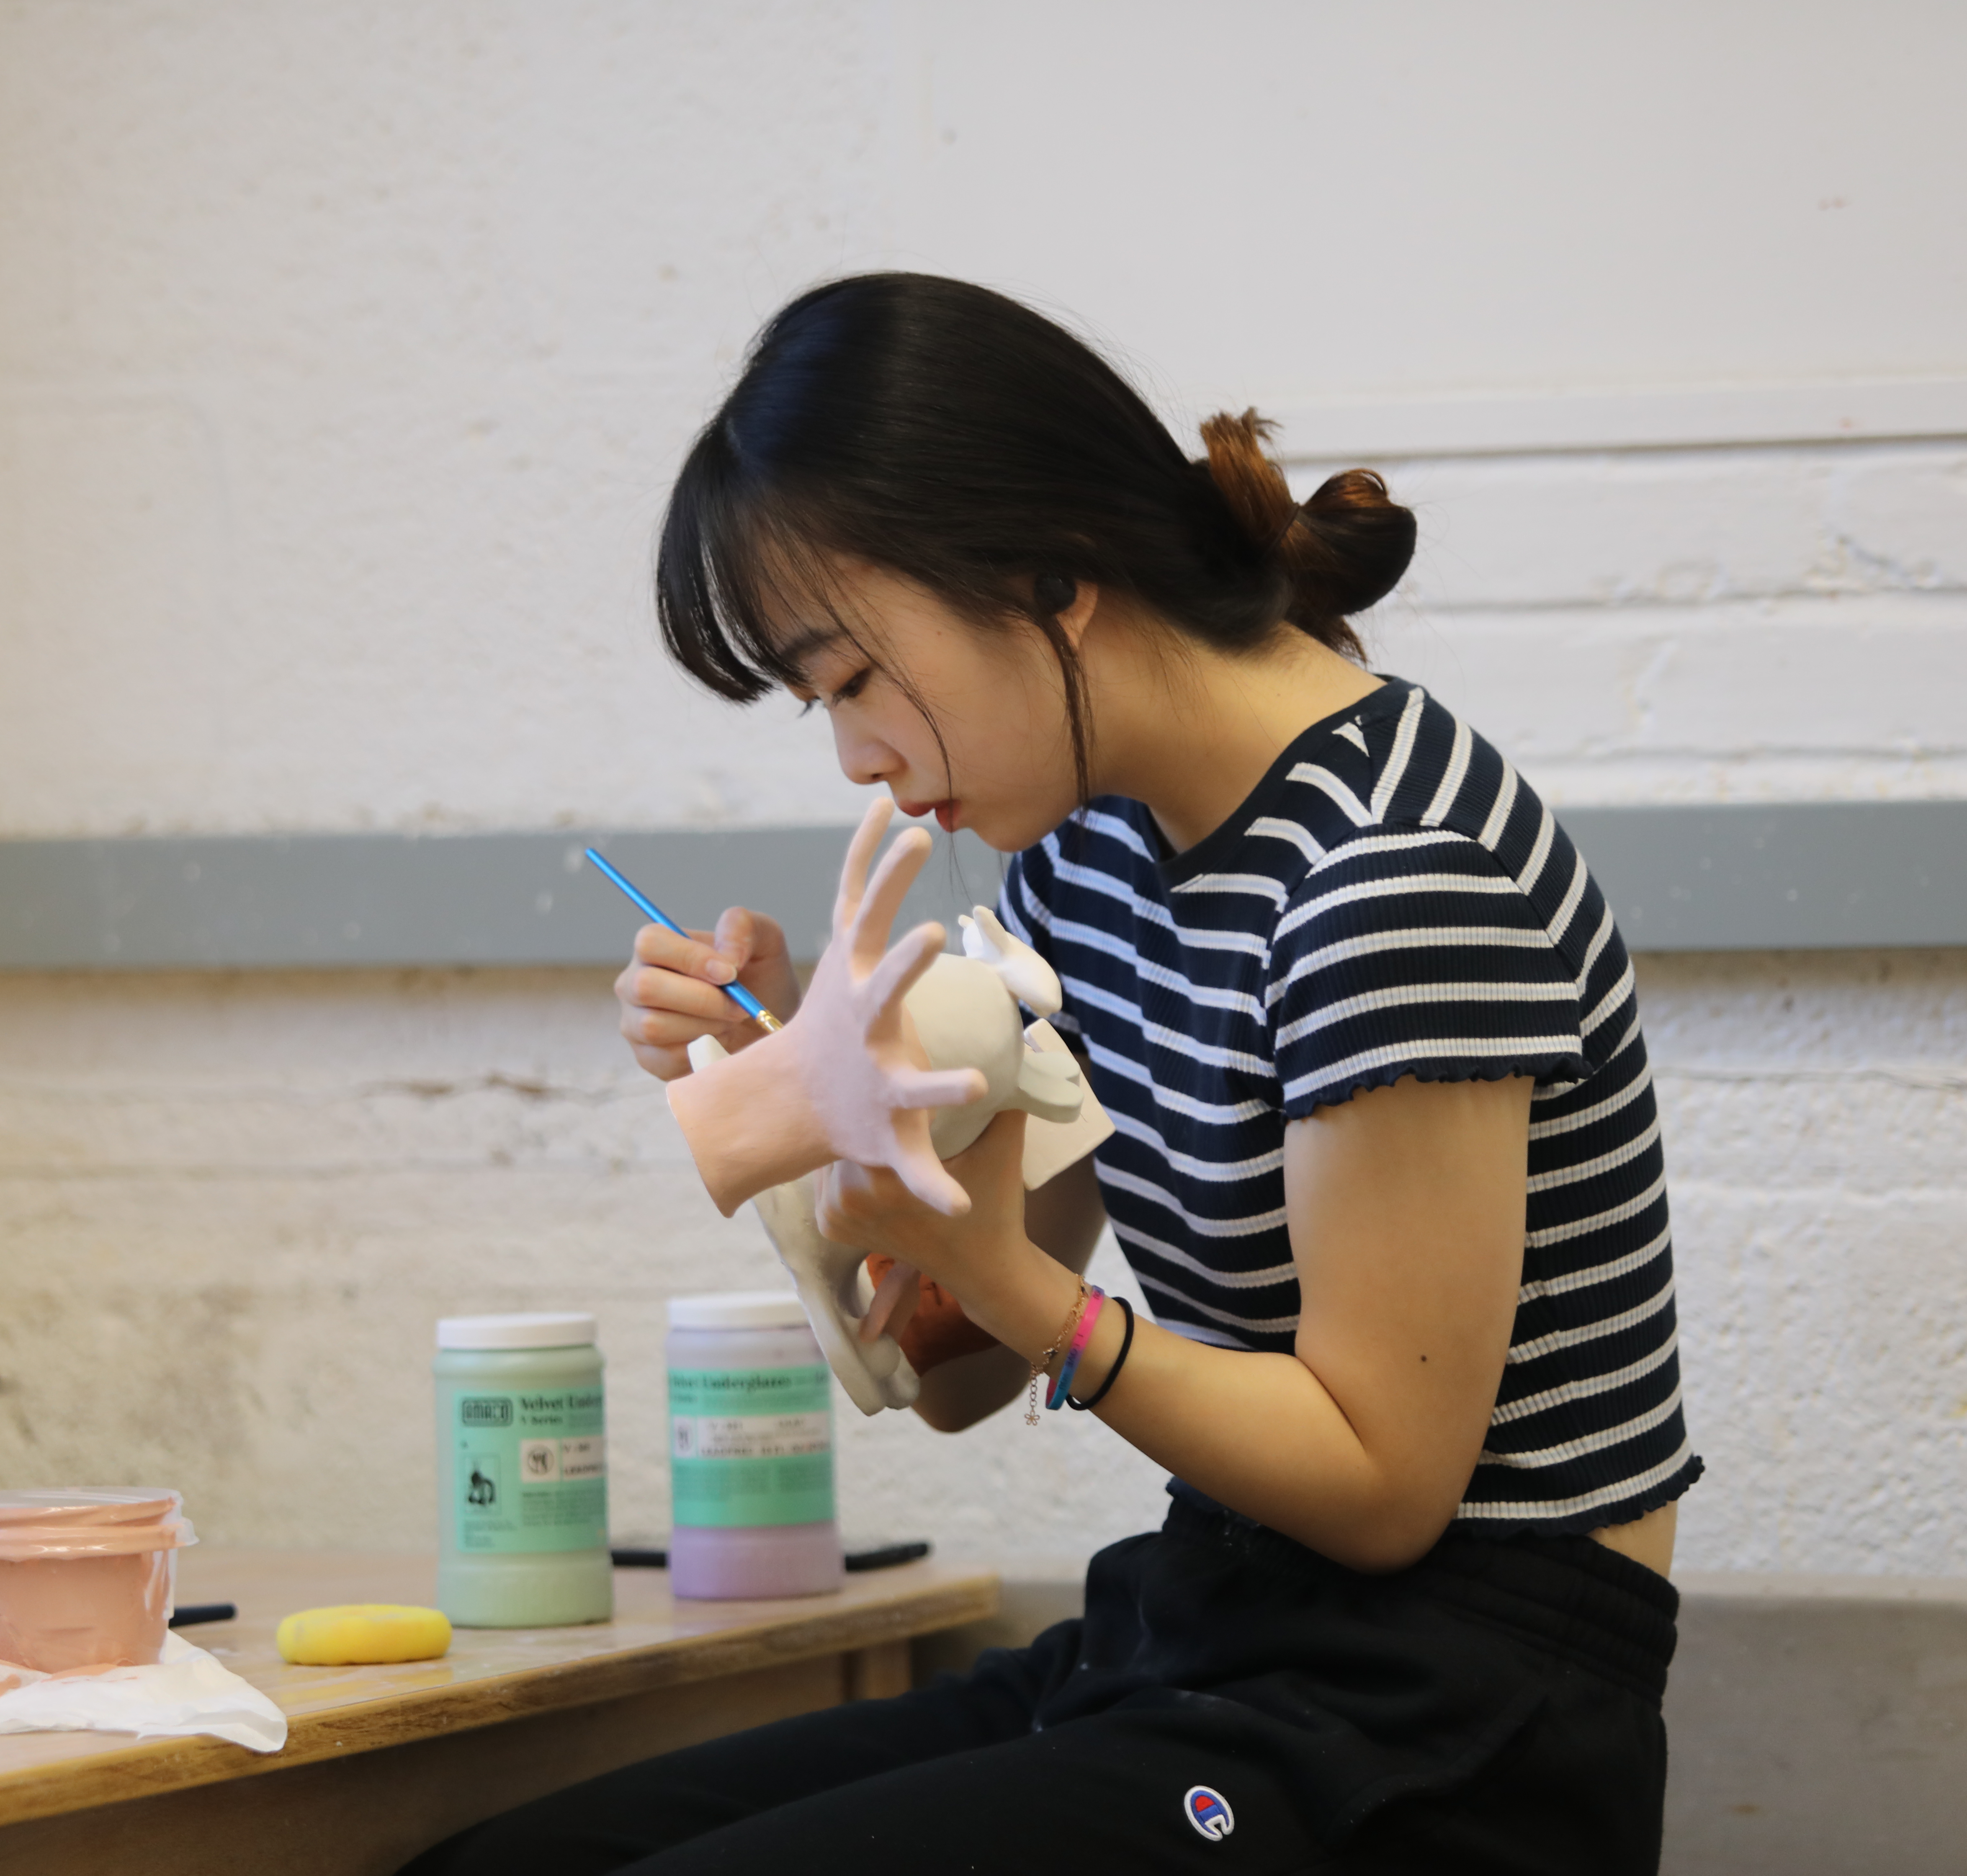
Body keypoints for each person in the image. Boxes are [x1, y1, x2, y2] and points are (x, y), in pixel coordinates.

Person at [407, 273, 1697, 1874]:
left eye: (857, 680)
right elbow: (954, 1374)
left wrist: (1014, 1292)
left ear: (1048, 577)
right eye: (822, 704)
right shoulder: (1088, 850)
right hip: (1211, 1629)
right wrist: (824, 1075)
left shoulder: (1392, 878)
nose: (856, 757)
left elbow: (1379, 1487)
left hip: (1459, 1728)